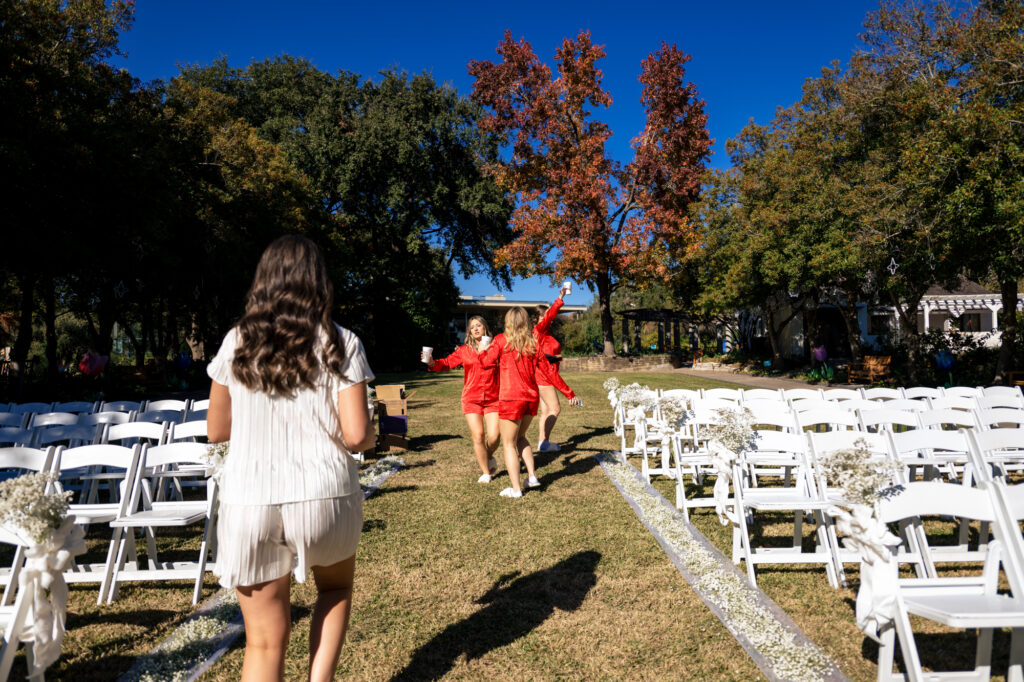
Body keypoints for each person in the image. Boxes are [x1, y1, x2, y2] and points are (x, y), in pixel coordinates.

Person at [207, 235, 376, 682]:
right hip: (324, 492)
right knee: (335, 589)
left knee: (263, 643)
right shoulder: (342, 341)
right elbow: (358, 435)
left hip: (249, 498)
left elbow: (216, 430)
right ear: (319, 282)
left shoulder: (235, 343)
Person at [480, 306, 580, 498]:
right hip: (530, 399)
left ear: (508, 322)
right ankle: (532, 476)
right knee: (521, 437)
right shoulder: (533, 343)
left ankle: (516, 489)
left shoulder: (501, 340)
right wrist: (569, 393)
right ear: (526, 322)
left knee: (509, 444)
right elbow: (550, 372)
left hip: (511, 398)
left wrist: (484, 350)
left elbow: (486, 363)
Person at [423, 315, 500, 482]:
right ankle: (486, 472)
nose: (476, 329)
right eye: (473, 327)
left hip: (493, 399)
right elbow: (446, 363)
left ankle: (488, 455)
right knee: (478, 436)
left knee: (494, 437)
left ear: (485, 327)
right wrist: (431, 363)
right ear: (469, 332)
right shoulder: (464, 350)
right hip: (471, 399)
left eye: (479, 325)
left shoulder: (496, 348)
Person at [534, 283, 570, 453]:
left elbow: (546, 355)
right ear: (538, 319)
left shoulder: (545, 334)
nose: (547, 318)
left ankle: (542, 442)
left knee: (546, 410)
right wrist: (561, 297)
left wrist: (557, 358)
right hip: (543, 376)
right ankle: (544, 443)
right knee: (555, 408)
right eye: (543, 315)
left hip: (542, 374)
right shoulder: (539, 331)